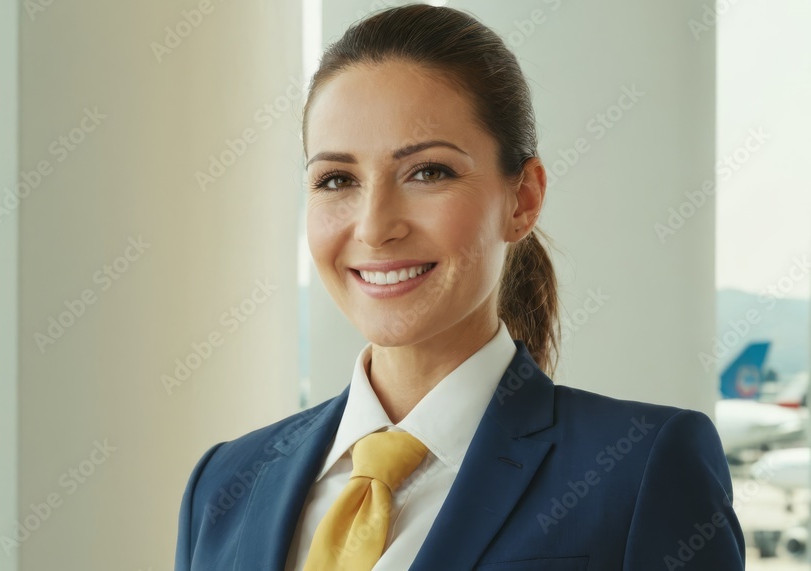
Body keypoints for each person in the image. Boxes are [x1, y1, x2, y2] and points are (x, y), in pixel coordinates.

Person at [175, 4, 745, 570]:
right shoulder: (226, 482)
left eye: (429, 172)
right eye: (336, 180)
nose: (374, 227)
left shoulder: (643, 469)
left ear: (522, 199)